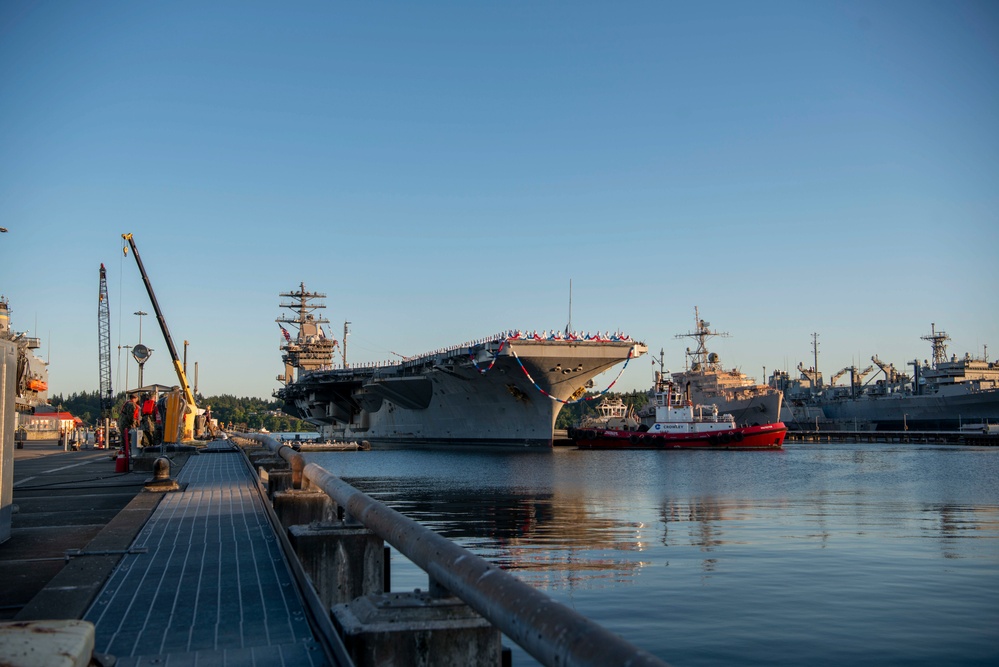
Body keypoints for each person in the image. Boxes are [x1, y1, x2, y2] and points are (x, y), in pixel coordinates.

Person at [119, 394, 140, 458]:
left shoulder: (127, 403)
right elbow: (131, 417)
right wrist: (136, 424)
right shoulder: (132, 405)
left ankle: (123, 454)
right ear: (135, 398)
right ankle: (130, 454)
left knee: (124, 440)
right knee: (130, 439)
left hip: (123, 424)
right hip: (127, 425)